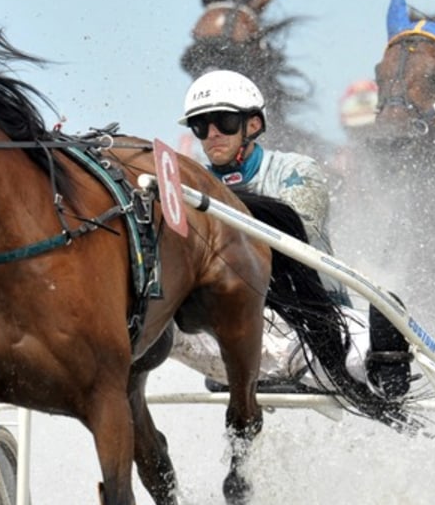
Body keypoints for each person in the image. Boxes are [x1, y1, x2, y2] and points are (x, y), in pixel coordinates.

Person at [173, 70, 411, 395]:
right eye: (201, 126)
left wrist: (208, 205)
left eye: (224, 122)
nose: (212, 133)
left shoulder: (296, 170)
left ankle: (383, 362)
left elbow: (297, 232)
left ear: (253, 125)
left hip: (315, 317)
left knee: (360, 362)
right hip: (231, 324)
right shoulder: (191, 185)